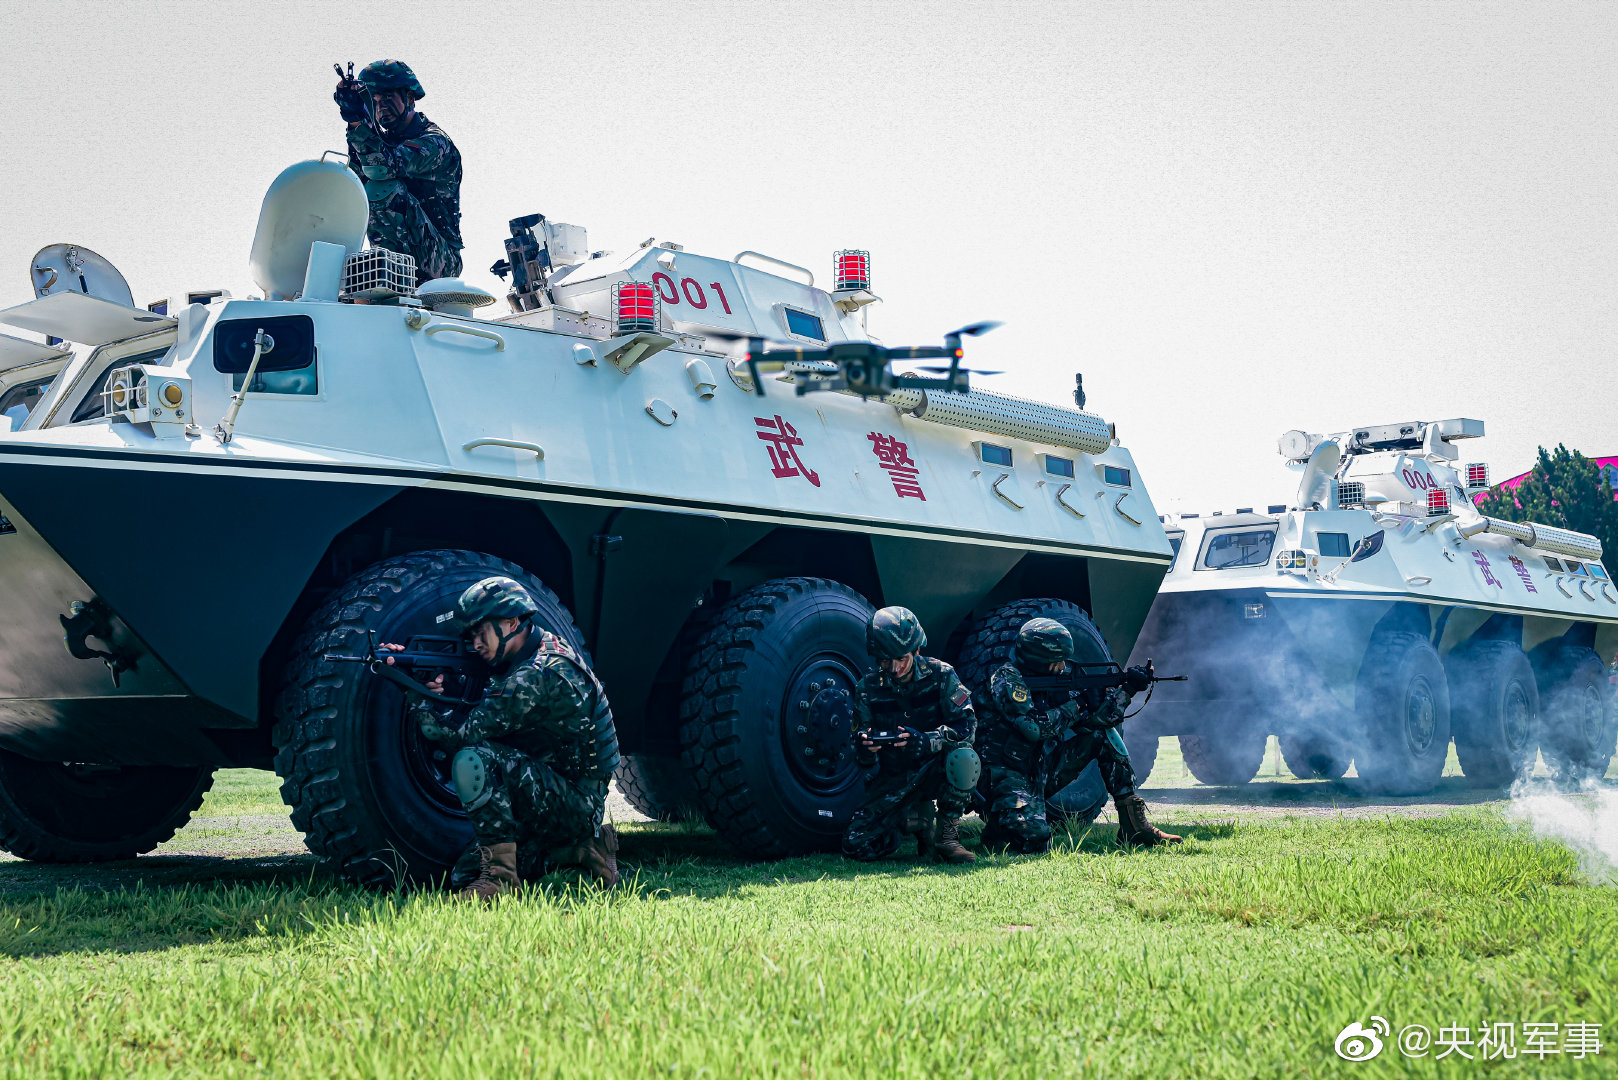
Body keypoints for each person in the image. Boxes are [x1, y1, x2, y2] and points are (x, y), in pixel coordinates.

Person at [391, 576, 620, 898]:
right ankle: (586, 850)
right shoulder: (540, 649)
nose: (475, 644)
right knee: (465, 873)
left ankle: (500, 882)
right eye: (470, 636)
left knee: (474, 758)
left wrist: (415, 694)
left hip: (576, 804)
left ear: (512, 622)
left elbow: (461, 736)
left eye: (480, 632)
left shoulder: (538, 673)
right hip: (556, 791)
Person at [977, 618, 1182, 853]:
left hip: (1038, 771)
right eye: (1057, 660)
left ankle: (1134, 826)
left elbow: (1097, 721)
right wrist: (1080, 704)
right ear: (1037, 658)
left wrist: (1128, 690)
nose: (1063, 665)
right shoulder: (1006, 679)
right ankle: (997, 829)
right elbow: (1033, 728)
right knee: (1036, 841)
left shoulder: (1054, 680)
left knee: (1101, 736)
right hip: (1002, 777)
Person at [843, 607, 981, 864]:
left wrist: (927, 741)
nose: (894, 669)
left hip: (935, 768)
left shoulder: (942, 675)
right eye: (885, 661)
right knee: (857, 845)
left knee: (965, 758)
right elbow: (860, 758)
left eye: (901, 659)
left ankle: (947, 837)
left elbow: (967, 727)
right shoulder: (868, 688)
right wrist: (864, 747)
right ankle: (915, 821)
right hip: (895, 778)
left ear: (917, 651)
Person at [334, 59, 464, 283]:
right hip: (407, 256)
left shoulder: (435, 143)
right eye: (373, 99)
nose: (380, 105)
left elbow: (381, 168)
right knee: (347, 189)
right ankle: (381, 274)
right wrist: (356, 119)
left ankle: (393, 276)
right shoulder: (385, 141)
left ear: (410, 97)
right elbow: (355, 178)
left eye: (387, 97)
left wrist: (357, 124)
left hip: (442, 262)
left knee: (382, 188)